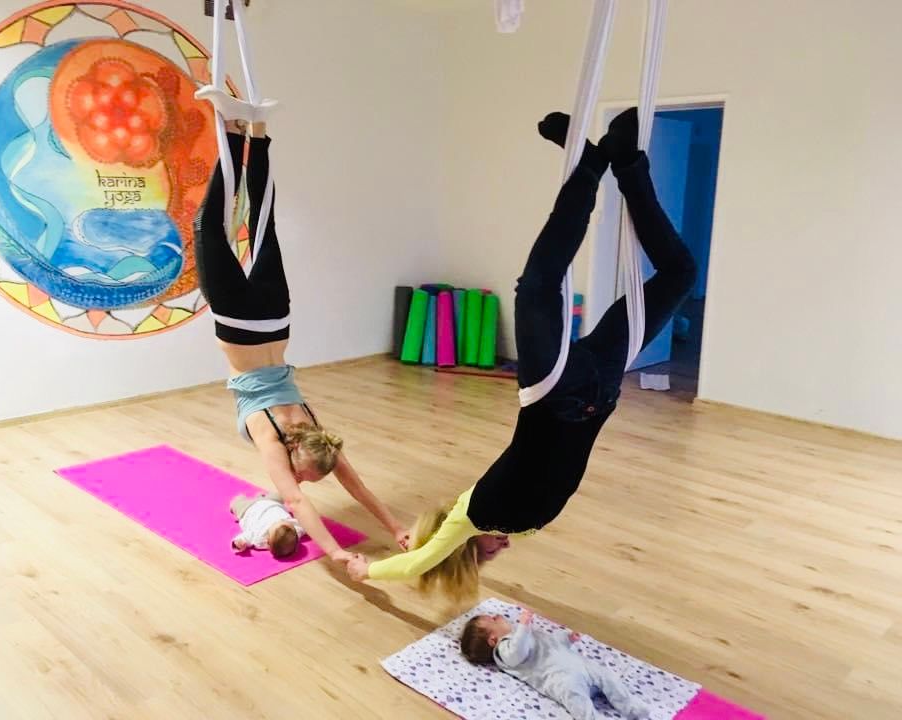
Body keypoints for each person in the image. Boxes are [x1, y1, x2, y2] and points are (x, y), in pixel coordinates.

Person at [346, 108, 696, 596]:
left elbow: (418, 565)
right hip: (603, 383)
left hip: (556, 390)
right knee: (680, 275)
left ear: (467, 547)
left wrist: (370, 571)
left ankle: (591, 169)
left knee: (537, 287)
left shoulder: (473, 515)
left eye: (488, 555)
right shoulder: (520, 526)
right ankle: (627, 166)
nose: (502, 550)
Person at [194, 88, 409, 565]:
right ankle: (233, 129)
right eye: (306, 473)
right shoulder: (273, 436)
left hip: (276, 317)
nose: (306, 480)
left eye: (310, 476)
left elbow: (353, 483)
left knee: (265, 225)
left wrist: (396, 527)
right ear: (295, 449)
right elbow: (293, 502)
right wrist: (335, 554)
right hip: (238, 320)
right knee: (211, 228)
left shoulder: (317, 434)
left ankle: (259, 130)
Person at [461, 608, 650, 720]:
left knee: (608, 677)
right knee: (577, 702)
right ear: (493, 640)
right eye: (493, 619)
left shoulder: (523, 636)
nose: (498, 615)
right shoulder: (504, 650)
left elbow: (549, 644)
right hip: (561, 679)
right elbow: (518, 652)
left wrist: (566, 638)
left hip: (580, 665)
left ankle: (632, 707)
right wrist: (523, 626)